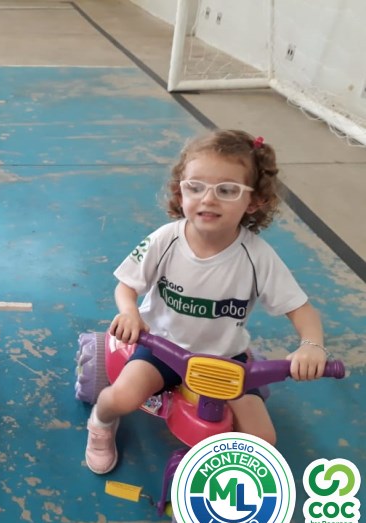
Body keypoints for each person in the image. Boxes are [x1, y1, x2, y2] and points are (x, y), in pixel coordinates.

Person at [85, 129, 328, 474]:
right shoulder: (165, 240)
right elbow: (126, 286)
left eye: (227, 190)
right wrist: (129, 313)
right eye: (195, 187)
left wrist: (311, 345)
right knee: (122, 397)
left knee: (264, 439)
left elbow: (301, 309)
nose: (208, 199)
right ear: (180, 191)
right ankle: (100, 423)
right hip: (163, 349)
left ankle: (227, 479)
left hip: (224, 359)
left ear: (254, 200)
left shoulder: (257, 257)